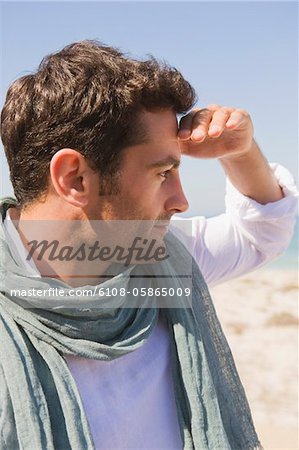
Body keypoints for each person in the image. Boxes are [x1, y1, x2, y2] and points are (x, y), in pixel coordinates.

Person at [0, 40, 297, 450]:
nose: (181, 201)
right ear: (75, 179)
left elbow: (262, 232)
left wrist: (241, 152)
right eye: (163, 173)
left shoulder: (160, 260)